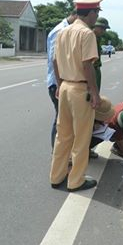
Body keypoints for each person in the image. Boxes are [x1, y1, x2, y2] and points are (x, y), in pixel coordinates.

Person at [50, 0, 103, 192]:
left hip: (64, 87)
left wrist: (60, 83)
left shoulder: (63, 32)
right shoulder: (86, 34)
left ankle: (56, 176)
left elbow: (55, 61)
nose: (96, 17)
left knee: (62, 135)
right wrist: (94, 92)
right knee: (81, 138)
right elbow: (87, 65)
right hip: (80, 89)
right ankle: (76, 181)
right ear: (90, 13)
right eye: (96, 12)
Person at [46, 11, 78, 150]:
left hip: (64, 83)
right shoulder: (61, 30)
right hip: (58, 83)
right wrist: (60, 86)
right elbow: (55, 59)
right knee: (61, 120)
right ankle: (57, 154)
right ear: (77, 16)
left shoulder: (69, 29)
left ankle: (63, 154)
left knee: (65, 120)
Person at [92, 17, 110, 91]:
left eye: (105, 29)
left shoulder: (98, 38)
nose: (103, 31)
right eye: (102, 28)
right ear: (95, 26)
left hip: (96, 68)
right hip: (92, 69)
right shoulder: (90, 36)